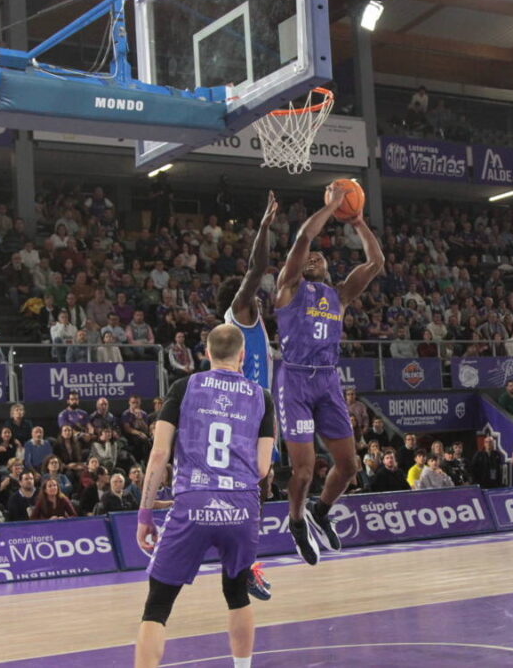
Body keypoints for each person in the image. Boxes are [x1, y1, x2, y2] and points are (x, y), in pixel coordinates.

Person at [133, 324, 275, 668]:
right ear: (242, 356)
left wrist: (145, 513)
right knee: (237, 594)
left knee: (158, 605)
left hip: (193, 503)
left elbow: (158, 455)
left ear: (207, 354)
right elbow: (261, 468)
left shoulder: (184, 387)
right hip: (241, 506)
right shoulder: (261, 396)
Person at [272, 181, 384, 566]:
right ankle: (297, 519)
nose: (316, 257)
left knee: (350, 466)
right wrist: (332, 206)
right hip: (295, 380)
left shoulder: (339, 296)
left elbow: (375, 263)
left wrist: (357, 221)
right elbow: (304, 236)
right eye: (310, 258)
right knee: (303, 471)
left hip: (328, 380)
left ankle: (321, 511)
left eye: (321, 258)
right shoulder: (288, 289)